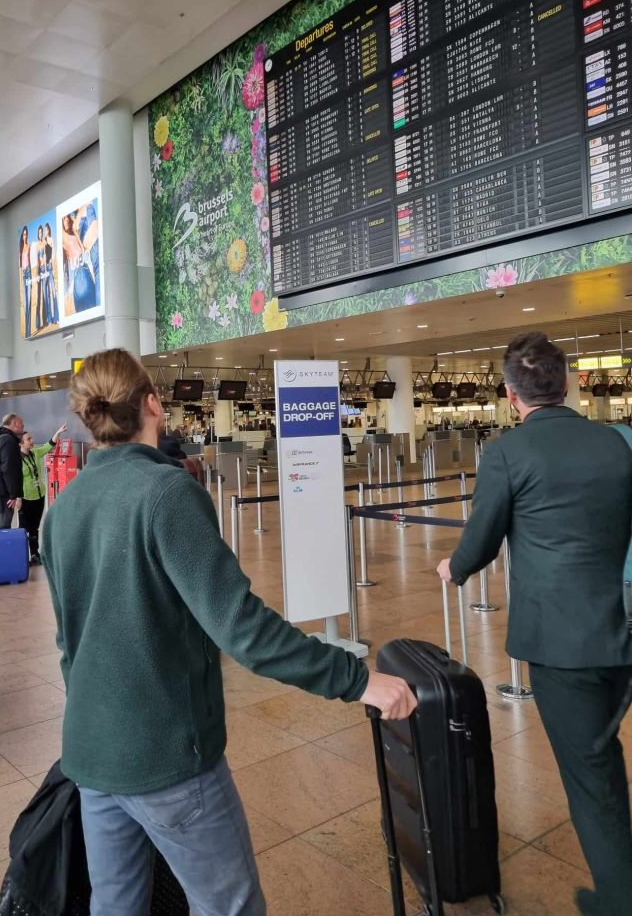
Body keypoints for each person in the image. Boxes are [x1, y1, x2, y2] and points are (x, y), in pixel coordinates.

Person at [41, 349, 416, 915]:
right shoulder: (166, 494)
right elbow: (243, 630)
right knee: (230, 906)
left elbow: (68, 643)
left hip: (92, 752)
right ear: (151, 403)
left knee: (115, 906)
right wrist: (356, 679)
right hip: (167, 757)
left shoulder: (61, 510)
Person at [436, 332, 632, 916]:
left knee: (590, 775)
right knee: (601, 757)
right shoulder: (616, 443)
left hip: (560, 645)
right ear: (567, 381)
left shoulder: (507, 452)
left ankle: (620, 900)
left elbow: (483, 536)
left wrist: (456, 566)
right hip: (618, 630)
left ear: (509, 394)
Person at [20, 423, 67, 564]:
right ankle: (21, 556)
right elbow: (14, 479)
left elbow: (49, 445)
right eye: (29, 439)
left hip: (39, 495)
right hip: (25, 498)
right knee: (23, 529)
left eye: (31, 438)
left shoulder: (35, 453)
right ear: (21, 443)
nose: (32, 441)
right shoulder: (16, 459)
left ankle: (35, 554)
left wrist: (58, 432)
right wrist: (17, 496)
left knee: (35, 527)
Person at [20, 226, 31, 339]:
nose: (25, 236)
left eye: (26, 234)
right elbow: (19, 267)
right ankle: (27, 332)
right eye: (24, 234)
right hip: (23, 274)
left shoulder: (29, 246)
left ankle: (28, 331)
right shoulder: (20, 248)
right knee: (25, 305)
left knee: (29, 302)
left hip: (29, 273)